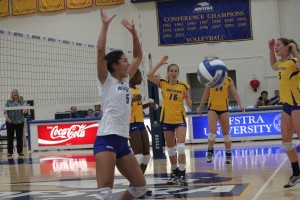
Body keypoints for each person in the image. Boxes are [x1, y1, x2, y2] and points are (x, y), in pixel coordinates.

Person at [93, 9, 146, 200]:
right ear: (114, 65)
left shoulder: (124, 81)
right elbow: (100, 52)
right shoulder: (106, 81)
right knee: (105, 190)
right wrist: (105, 25)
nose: (128, 64)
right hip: (106, 138)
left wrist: (133, 33)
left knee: (140, 187)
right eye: (124, 61)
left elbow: (139, 56)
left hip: (122, 141)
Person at [147, 55, 192, 186]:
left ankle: (182, 175)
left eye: (175, 71)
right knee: (171, 149)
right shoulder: (163, 83)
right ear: (168, 73)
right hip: (166, 120)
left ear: (178, 73)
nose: (173, 73)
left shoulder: (184, 86)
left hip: (179, 119)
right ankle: (174, 173)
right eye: (171, 71)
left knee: (181, 147)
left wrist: (188, 98)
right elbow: (149, 75)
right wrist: (160, 63)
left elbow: (190, 105)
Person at [268, 38, 300, 188]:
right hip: (286, 106)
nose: (276, 47)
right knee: (286, 143)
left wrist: (295, 50)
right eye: (275, 46)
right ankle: (296, 173)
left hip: (297, 104)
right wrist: (270, 48)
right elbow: (273, 65)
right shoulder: (280, 63)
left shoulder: (294, 61)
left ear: (287, 47)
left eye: (278, 45)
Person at [197, 74, 245, 165]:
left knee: (226, 133)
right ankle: (210, 151)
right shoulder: (210, 80)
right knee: (212, 132)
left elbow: (235, 93)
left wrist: (241, 104)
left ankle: (228, 154)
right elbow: (206, 94)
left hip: (224, 109)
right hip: (212, 109)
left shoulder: (228, 80)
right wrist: (200, 107)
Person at [129, 69, 156, 196]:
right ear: (132, 77)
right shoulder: (126, 91)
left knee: (146, 156)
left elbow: (137, 107)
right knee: (138, 156)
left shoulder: (136, 90)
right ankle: (134, 185)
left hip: (140, 123)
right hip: (131, 124)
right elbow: (122, 107)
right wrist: (132, 99)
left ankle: (137, 185)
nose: (141, 78)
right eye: (139, 75)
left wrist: (147, 105)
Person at [4, 89, 25, 157]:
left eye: (16, 92)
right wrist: (7, 118)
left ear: (18, 94)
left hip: (19, 122)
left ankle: (20, 151)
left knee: (19, 137)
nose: (15, 93)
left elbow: (25, 110)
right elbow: (5, 111)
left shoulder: (22, 101)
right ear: (12, 94)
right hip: (10, 122)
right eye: (14, 92)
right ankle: (10, 152)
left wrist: (25, 110)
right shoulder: (8, 102)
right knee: (10, 138)